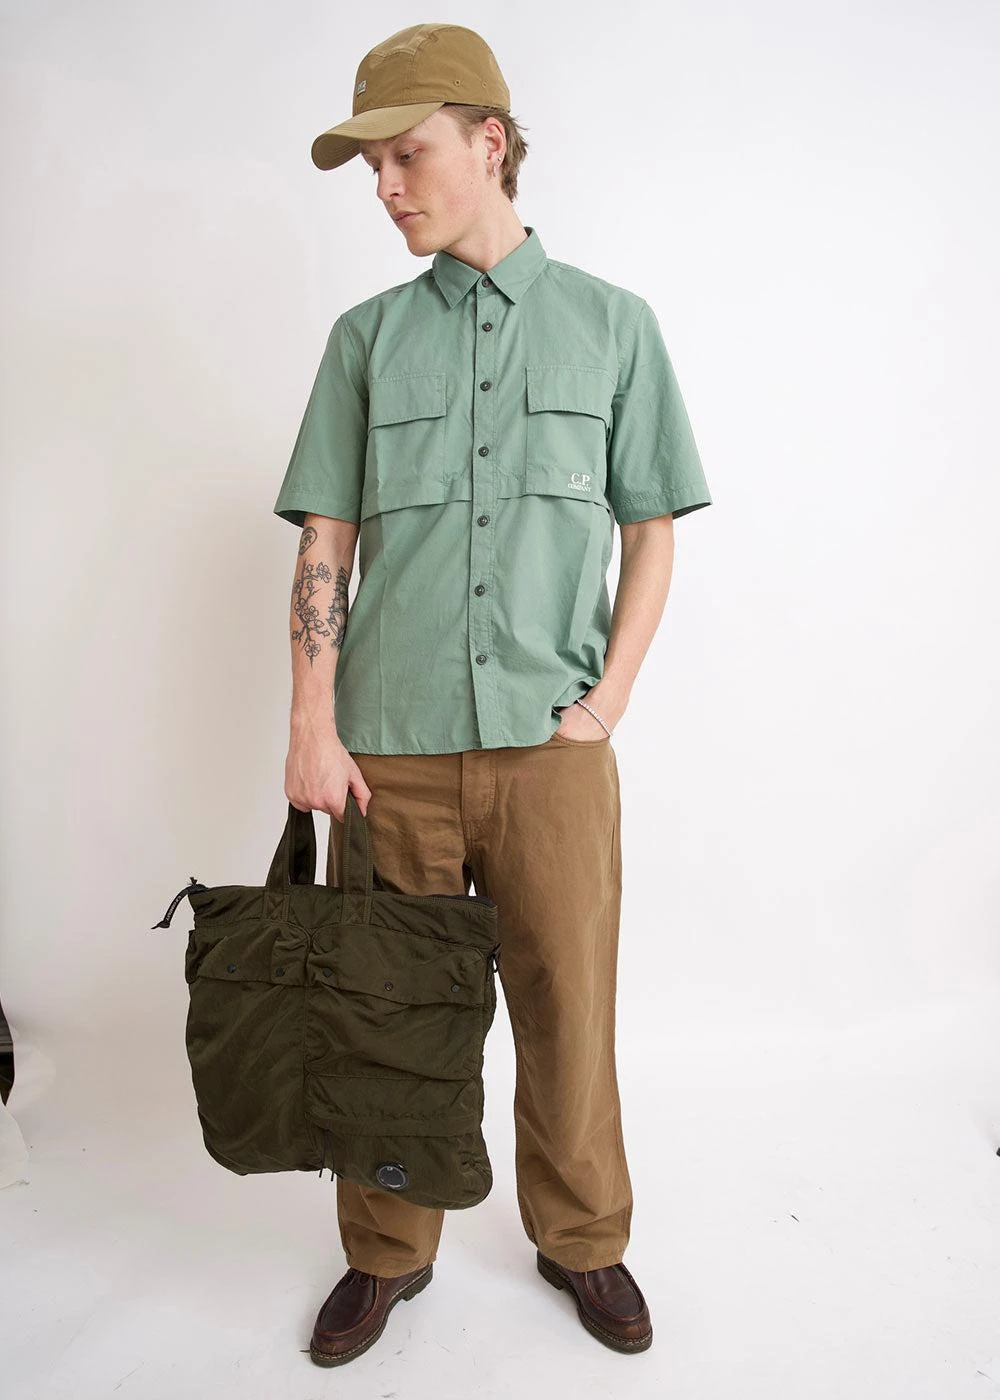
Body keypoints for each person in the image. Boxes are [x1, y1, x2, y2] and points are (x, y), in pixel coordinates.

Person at [273, 22, 712, 1367]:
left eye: (407, 155)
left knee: (570, 1014)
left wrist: (605, 707)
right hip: (388, 756)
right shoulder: (365, 341)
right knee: (386, 1017)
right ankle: (386, 1253)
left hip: (551, 752)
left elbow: (651, 528)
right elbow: (327, 540)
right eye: (373, 168)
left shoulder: (613, 328)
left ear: (490, 142)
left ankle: (582, 1238)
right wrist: (311, 723)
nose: (388, 187)